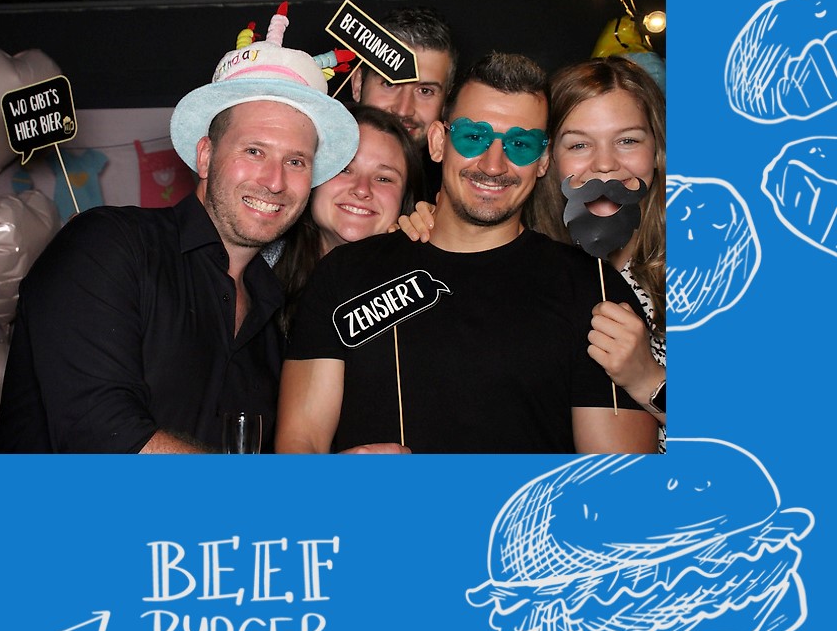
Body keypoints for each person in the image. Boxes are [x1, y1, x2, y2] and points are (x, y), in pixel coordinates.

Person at [0, 16, 360, 452]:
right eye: (254, 151)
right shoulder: (109, 246)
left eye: (296, 162)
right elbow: (102, 437)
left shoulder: (277, 312)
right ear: (205, 157)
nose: (275, 181)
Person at [276, 52, 659, 454]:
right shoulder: (343, 274)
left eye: (520, 145)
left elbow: (618, 478)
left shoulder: (594, 292)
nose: (493, 165)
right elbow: (300, 446)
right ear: (439, 142)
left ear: (543, 160)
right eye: (474, 137)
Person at [531, 58, 668, 426]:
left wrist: (647, 378)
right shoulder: (531, 266)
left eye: (627, 140)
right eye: (579, 145)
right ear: (548, 159)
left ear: (657, 150)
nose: (605, 164)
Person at [273, 106, 422, 333]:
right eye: (344, 169)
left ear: (405, 199)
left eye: (384, 178)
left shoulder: (421, 294)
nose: (362, 189)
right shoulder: (256, 276)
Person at [348, 6, 455, 201]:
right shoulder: (313, 174)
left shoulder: (454, 195)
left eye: (425, 91)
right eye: (390, 84)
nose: (404, 110)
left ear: (446, 102)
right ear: (357, 85)